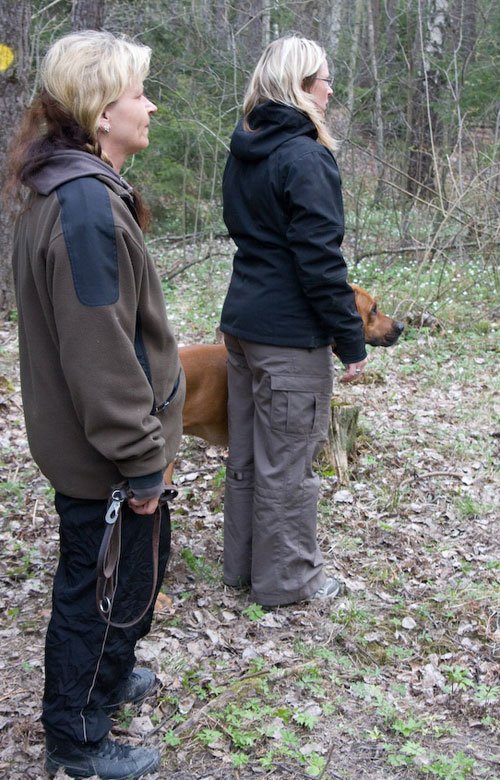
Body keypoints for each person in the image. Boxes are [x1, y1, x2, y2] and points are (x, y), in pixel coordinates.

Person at [7, 31, 185, 780]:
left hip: (111, 449)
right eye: (137, 94)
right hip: (106, 455)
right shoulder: (81, 206)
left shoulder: (80, 188)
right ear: (100, 112)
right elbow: (100, 356)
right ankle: (77, 740)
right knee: (99, 593)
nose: (151, 105)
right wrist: (143, 462)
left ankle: (106, 683)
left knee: (133, 580)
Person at [220, 35, 367, 608]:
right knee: (289, 464)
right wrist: (349, 338)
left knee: (252, 453)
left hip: (242, 325)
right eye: (326, 79)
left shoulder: (246, 148)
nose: (331, 90)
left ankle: (243, 567)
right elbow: (320, 258)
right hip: (286, 337)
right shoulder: (305, 156)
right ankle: (288, 581)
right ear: (303, 85)